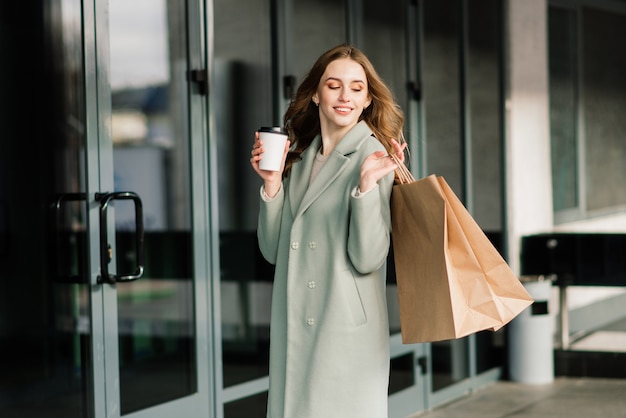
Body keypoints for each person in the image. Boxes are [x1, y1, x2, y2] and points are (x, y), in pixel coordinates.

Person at [250, 44, 406, 418]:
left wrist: (366, 188)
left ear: (368, 99)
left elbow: (368, 258)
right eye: (334, 85)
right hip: (295, 322)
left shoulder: (374, 155)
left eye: (356, 88)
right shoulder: (302, 158)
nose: (344, 96)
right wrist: (273, 184)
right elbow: (273, 251)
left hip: (343, 331)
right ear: (316, 94)